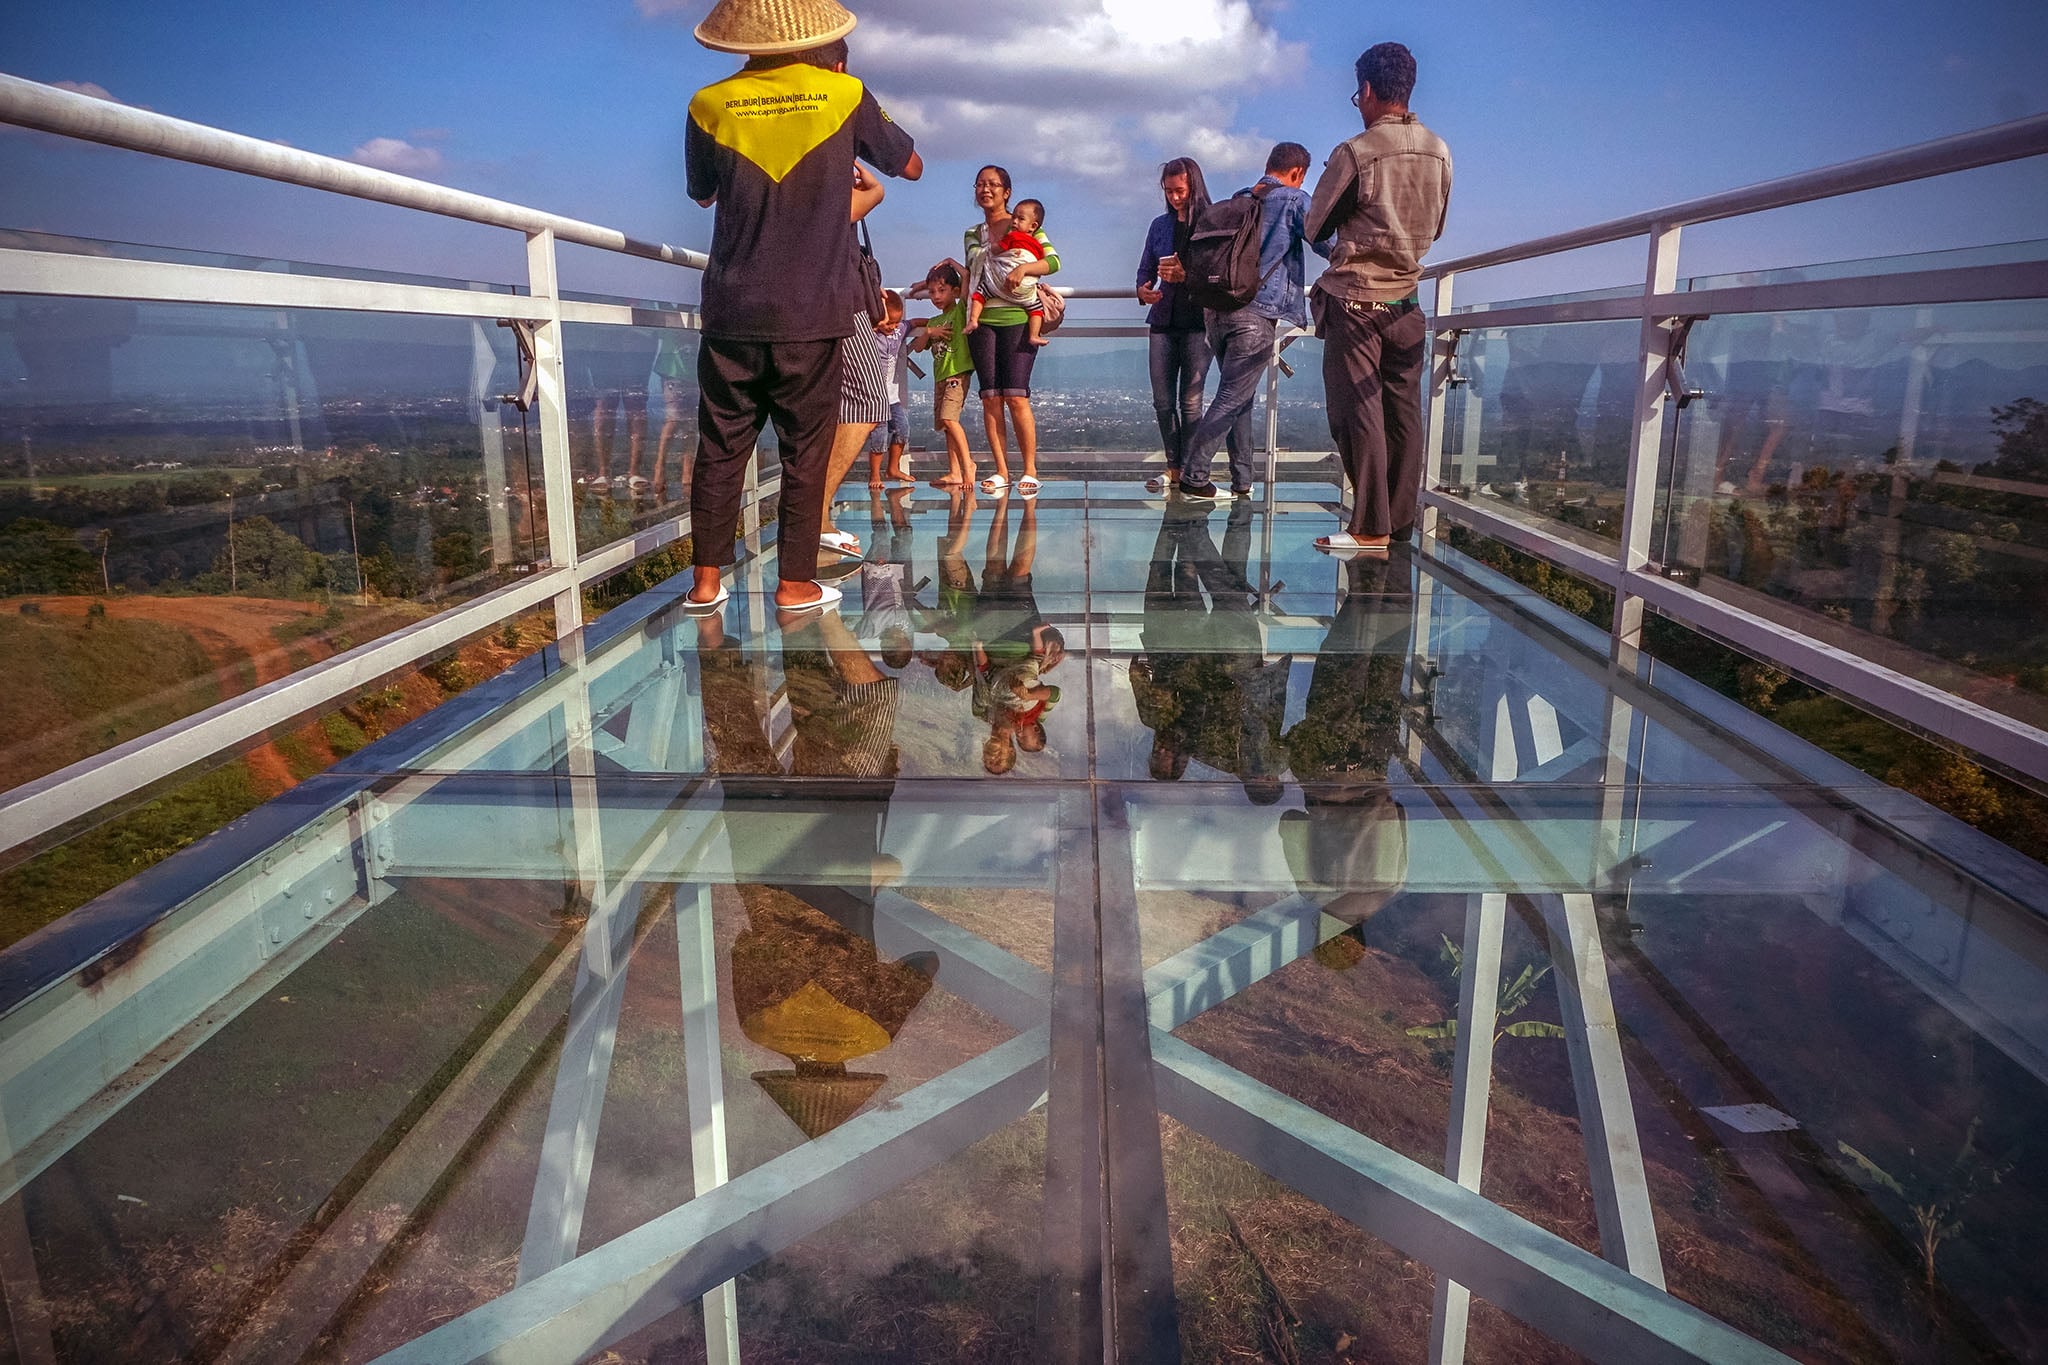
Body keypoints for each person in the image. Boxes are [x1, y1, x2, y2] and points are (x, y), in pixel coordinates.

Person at [681, 1, 922, 615]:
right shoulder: (843, 93)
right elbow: (910, 165)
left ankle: (705, 583)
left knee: (721, 447)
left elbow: (703, 195)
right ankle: (794, 585)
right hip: (812, 309)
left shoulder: (708, 103)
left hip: (732, 306)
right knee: (805, 450)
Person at [1305, 41, 1452, 554]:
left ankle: (1370, 526)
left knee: (1356, 412)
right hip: (1408, 299)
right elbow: (1437, 225)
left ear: (1366, 90)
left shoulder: (1357, 152)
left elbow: (1315, 224)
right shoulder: (1439, 150)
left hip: (1358, 299)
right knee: (1403, 413)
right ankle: (1398, 523)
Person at [1175, 143, 1318, 502]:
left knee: (1241, 397)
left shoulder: (1239, 199)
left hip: (1217, 311)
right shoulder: (1294, 200)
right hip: (1256, 315)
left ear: (1268, 166)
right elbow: (1329, 243)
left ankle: (1242, 480)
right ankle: (1194, 476)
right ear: (1298, 173)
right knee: (1231, 397)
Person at [963, 165, 1059, 496]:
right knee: (990, 398)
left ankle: (1030, 469)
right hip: (982, 320)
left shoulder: (1028, 224)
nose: (985, 189)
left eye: (992, 184)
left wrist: (1024, 268)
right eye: (980, 184)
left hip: (1019, 318)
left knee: (1017, 396)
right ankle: (1002, 471)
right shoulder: (973, 233)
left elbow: (1053, 262)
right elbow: (973, 265)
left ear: (1007, 192)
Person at [1137, 158, 1217, 493]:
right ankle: (1174, 466)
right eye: (1169, 191)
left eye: (1180, 191)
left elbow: (1218, 274)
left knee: (1191, 401)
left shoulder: (1212, 223)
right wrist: (1143, 290)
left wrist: (1187, 276)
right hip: (1163, 321)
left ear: (1193, 187)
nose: (1174, 197)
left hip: (1198, 321)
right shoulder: (1160, 226)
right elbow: (1146, 268)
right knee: (1162, 401)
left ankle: (1189, 469)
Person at [912, 262, 976, 490]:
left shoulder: (959, 312)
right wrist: (929, 332)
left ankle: (968, 466)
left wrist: (949, 261)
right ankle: (954, 471)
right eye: (931, 292)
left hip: (957, 374)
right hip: (940, 377)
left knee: (949, 419)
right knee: (947, 426)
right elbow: (918, 347)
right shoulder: (933, 322)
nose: (936, 296)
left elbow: (966, 275)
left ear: (954, 291)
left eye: (942, 290)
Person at [969, 198, 1051, 349]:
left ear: (1006, 193)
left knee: (981, 292)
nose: (1015, 221)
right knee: (1036, 308)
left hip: (1000, 289)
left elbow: (1054, 263)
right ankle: (1034, 335)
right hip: (1024, 292)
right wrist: (1028, 267)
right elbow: (1043, 261)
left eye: (1020, 219)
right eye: (1014, 217)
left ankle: (973, 320)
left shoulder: (1013, 235)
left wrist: (1021, 267)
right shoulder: (1037, 243)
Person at [865, 290, 913, 486]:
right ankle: (875, 475)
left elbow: (912, 323)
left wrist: (931, 327)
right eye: (889, 322)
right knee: (879, 434)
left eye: (896, 322)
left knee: (903, 429)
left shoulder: (898, 331)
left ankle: (893, 468)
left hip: (892, 397)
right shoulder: (869, 335)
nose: (893, 327)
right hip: (875, 397)